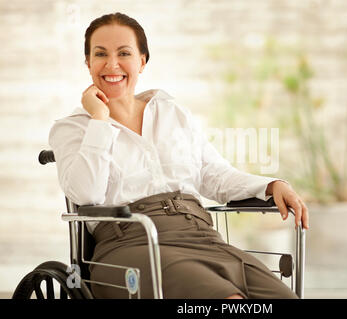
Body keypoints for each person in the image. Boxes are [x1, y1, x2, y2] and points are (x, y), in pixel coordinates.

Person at [48, 12, 309, 299]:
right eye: (100, 54)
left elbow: (214, 175)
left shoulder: (171, 113)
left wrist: (271, 186)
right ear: (88, 63)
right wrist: (99, 119)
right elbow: (86, 194)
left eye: (124, 53)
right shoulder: (71, 128)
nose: (112, 64)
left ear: (142, 61)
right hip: (131, 243)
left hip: (203, 236)